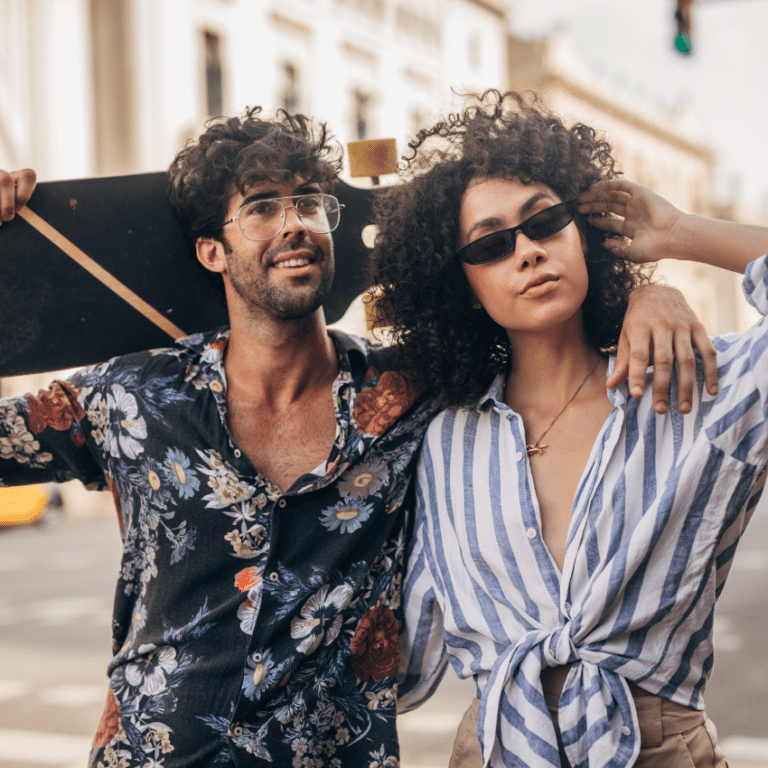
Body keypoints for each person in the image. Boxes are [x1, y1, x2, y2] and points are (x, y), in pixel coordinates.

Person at [0, 104, 717, 768]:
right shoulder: (132, 395)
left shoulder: (413, 391)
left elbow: (547, 339)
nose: (295, 224)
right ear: (213, 252)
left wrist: (651, 296)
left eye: (310, 203)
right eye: (262, 208)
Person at [369, 90, 768, 768]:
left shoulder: (696, 385)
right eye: (492, 244)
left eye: (546, 221)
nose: (526, 251)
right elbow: (402, 651)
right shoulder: (443, 440)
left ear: (582, 235)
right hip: (494, 748)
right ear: (465, 286)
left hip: (658, 749)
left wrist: (676, 239)